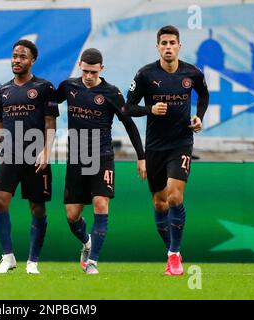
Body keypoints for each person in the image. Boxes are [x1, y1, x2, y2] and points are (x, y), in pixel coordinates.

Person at [124, 25, 209, 275]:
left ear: (179, 46)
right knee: (160, 203)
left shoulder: (192, 73)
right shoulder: (145, 75)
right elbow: (127, 108)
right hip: (155, 147)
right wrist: (150, 109)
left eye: (173, 43)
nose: (168, 47)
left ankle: (174, 256)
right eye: (164, 43)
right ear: (158, 46)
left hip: (181, 143)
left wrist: (199, 117)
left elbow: (204, 96)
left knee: (174, 196)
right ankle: (173, 251)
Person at [56, 48, 146, 274]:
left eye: (93, 72)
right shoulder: (68, 87)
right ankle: (87, 242)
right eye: (85, 71)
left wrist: (141, 157)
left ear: (102, 69)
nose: (88, 76)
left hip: (102, 156)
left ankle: (93, 262)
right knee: (72, 215)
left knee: (100, 204)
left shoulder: (112, 93)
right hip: (76, 157)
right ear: (79, 65)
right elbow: (48, 104)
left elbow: (129, 125)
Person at [0, 39, 59, 274]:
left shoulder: (45, 87)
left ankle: (33, 261)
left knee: (37, 209)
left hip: (35, 155)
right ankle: (8, 257)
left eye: (22, 56)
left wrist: (46, 151)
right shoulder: (2, 91)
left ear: (32, 60)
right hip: (9, 154)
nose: (17, 60)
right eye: (14, 56)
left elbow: (50, 123)